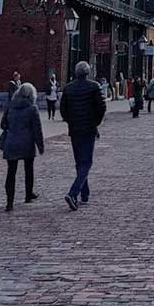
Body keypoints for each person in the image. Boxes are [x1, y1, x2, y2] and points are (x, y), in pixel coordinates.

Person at [60, 61, 106, 211]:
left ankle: (84, 195)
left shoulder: (68, 88)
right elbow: (101, 108)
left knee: (80, 162)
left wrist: (71, 122)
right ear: (87, 73)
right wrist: (95, 123)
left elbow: (63, 110)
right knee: (86, 163)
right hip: (88, 129)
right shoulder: (94, 87)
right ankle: (73, 193)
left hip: (75, 130)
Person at [0, 83, 44, 212]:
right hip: (27, 142)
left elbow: (3, 124)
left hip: (11, 142)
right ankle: (28, 194)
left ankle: (9, 202)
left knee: (11, 173)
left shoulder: (10, 106)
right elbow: (37, 129)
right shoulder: (32, 108)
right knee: (28, 169)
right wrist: (40, 145)